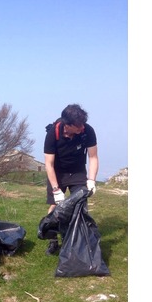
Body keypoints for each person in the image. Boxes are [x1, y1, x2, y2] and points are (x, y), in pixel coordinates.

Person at [43, 103, 99, 255]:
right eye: (78, 126)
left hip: (78, 171)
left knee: (81, 205)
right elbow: (49, 164)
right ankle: (53, 241)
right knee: (54, 207)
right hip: (58, 172)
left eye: (82, 124)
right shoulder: (52, 134)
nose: (82, 128)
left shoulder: (87, 131)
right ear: (67, 125)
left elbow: (93, 157)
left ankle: (79, 241)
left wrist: (91, 180)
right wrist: (56, 189)